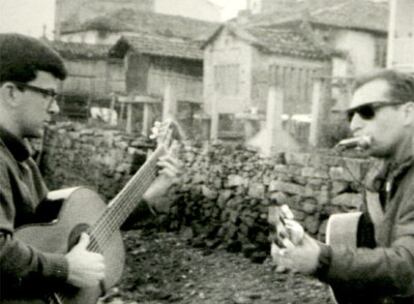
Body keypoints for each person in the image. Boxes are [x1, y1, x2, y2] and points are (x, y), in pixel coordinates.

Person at [0, 33, 181, 301]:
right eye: (48, 95)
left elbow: (61, 237)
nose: (56, 107)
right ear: (12, 93)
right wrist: (66, 269)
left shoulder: (22, 161)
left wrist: (149, 197)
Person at [274, 69, 414, 303]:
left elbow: (408, 267)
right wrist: (310, 247)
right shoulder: (383, 175)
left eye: (367, 111)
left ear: (408, 112)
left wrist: (323, 259)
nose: (355, 125)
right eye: (351, 115)